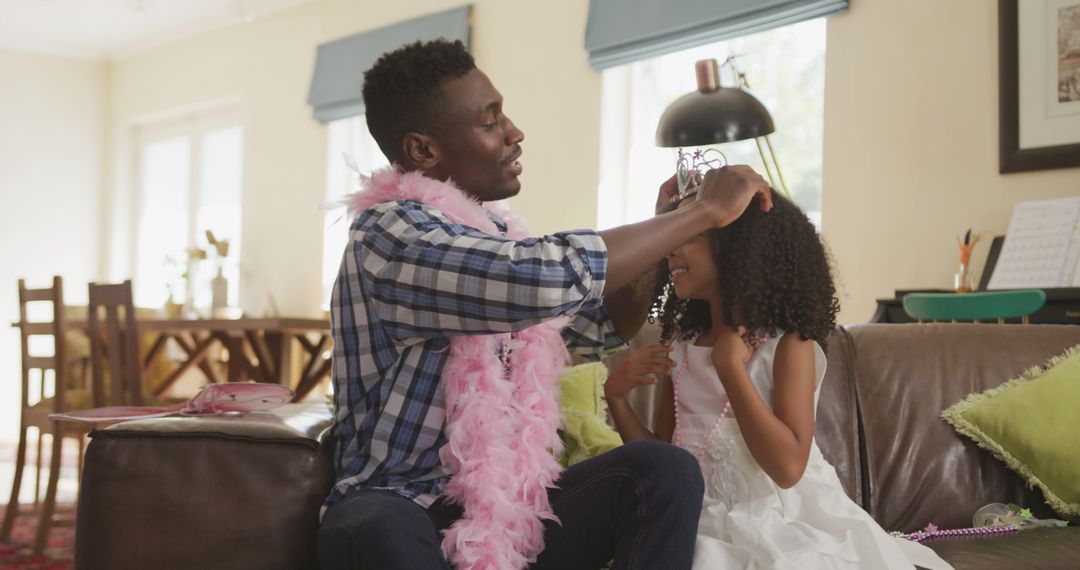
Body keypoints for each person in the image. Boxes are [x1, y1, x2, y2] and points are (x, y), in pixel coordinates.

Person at [316, 39, 773, 570]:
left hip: (506, 511)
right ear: (423, 151)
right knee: (379, 528)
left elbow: (595, 328)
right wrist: (701, 215)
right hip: (398, 502)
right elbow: (535, 279)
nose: (514, 132)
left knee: (661, 471)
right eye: (490, 122)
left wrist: (663, 223)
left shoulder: (493, 231)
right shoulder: (389, 232)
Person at [604, 191, 954, 569]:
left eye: (691, 237)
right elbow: (665, 459)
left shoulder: (788, 346)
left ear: (740, 251)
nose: (672, 249)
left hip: (778, 516)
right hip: (697, 516)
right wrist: (617, 397)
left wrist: (732, 371)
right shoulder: (682, 347)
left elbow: (787, 469)